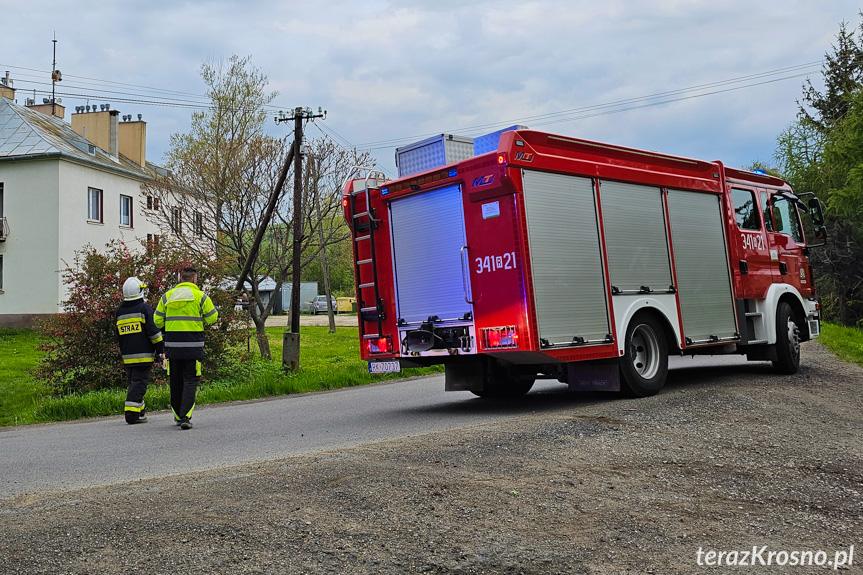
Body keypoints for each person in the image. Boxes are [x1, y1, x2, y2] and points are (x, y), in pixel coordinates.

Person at [154, 267, 218, 430]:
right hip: (193, 347)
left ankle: (177, 416)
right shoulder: (200, 296)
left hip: (172, 348)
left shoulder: (167, 296)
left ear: (180, 279)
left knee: (175, 381)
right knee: (190, 380)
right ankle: (185, 417)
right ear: (195, 279)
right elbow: (212, 318)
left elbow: (157, 322)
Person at [115, 276, 163, 424]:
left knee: (134, 383)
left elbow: (118, 335)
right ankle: (132, 415)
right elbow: (153, 332)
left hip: (128, 356)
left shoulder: (119, 311)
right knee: (139, 383)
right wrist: (161, 349)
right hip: (143, 356)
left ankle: (140, 411)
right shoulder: (144, 308)